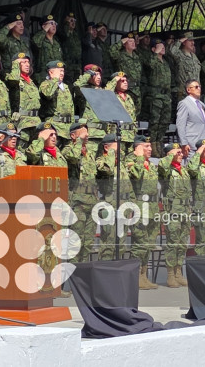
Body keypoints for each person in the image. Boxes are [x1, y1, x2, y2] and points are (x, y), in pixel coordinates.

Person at [61, 120, 98, 263]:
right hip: (78, 202)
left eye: (87, 131)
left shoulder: (89, 153)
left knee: (88, 242)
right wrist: (79, 142)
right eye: (83, 132)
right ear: (73, 135)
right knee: (76, 240)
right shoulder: (68, 150)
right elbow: (73, 158)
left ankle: (82, 276)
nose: (87, 135)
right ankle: (73, 278)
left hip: (91, 200)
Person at [127, 135, 160, 290]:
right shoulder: (131, 161)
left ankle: (143, 276)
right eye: (146, 146)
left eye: (150, 146)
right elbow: (136, 175)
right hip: (139, 207)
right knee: (139, 244)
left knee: (148, 245)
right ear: (138, 147)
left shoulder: (151, 164)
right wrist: (139, 158)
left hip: (152, 208)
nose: (150, 149)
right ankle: (135, 277)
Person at [157, 142, 190, 287]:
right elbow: (162, 166)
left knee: (182, 243)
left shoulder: (184, 170)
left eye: (181, 153)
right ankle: (170, 274)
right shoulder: (166, 170)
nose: (180, 155)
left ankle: (178, 272)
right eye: (177, 153)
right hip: (172, 211)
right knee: (172, 243)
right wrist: (170, 154)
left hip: (185, 210)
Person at [96, 134, 132, 260]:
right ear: (106, 147)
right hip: (109, 205)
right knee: (108, 244)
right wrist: (111, 153)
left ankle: (117, 270)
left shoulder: (120, 164)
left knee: (121, 244)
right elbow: (107, 170)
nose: (120, 148)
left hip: (123, 205)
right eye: (117, 145)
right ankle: (105, 273)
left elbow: (128, 186)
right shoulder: (101, 161)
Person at [5, 52, 41, 137]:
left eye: (28, 62)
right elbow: (14, 79)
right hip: (22, 122)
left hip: (35, 121)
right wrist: (16, 63)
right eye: (23, 62)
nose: (27, 64)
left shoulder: (31, 82)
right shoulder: (11, 78)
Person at [146, 39, 172, 154]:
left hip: (166, 96)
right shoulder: (152, 59)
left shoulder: (165, 62)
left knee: (164, 122)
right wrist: (155, 53)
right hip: (156, 95)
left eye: (163, 46)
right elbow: (149, 66)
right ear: (153, 49)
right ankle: (152, 145)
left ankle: (159, 143)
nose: (163, 47)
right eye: (159, 46)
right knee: (155, 122)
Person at [39, 60, 75, 143]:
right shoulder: (45, 84)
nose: (62, 73)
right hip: (55, 126)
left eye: (63, 71)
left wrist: (73, 126)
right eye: (59, 71)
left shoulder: (65, 87)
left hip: (67, 128)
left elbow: (71, 107)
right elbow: (48, 94)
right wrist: (55, 79)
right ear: (51, 72)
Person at [109, 32, 143, 109]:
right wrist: (121, 42)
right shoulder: (120, 55)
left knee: (136, 114)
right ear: (124, 44)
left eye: (134, 41)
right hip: (125, 89)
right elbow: (111, 51)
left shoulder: (137, 56)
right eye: (130, 41)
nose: (133, 43)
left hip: (137, 89)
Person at [176, 79, 205, 155]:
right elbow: (180, 124)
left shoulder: (202, 104)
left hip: (203, 143)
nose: (199, 89)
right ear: (188, 89)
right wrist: (184, 143)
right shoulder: (184, 103)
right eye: (196, 87)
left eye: (199, 87)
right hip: (191, 144)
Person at [169, 32, 201, 101]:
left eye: (193, 41)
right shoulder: (179, 54)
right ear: (183, 42)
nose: (193, 43)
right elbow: (171, 51)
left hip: (195, 92)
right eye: (190, 41)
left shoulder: (194, 56)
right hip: (184, 93)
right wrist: (179, 41)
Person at [32, 14, 63, 82]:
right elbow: (35, 42)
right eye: (51, 23)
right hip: (43, 76)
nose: (54, 25)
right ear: (44, 26)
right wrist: (45, 30)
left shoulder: (56, 43)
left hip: (56, 76)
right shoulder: (40, 40)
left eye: (55, 23)